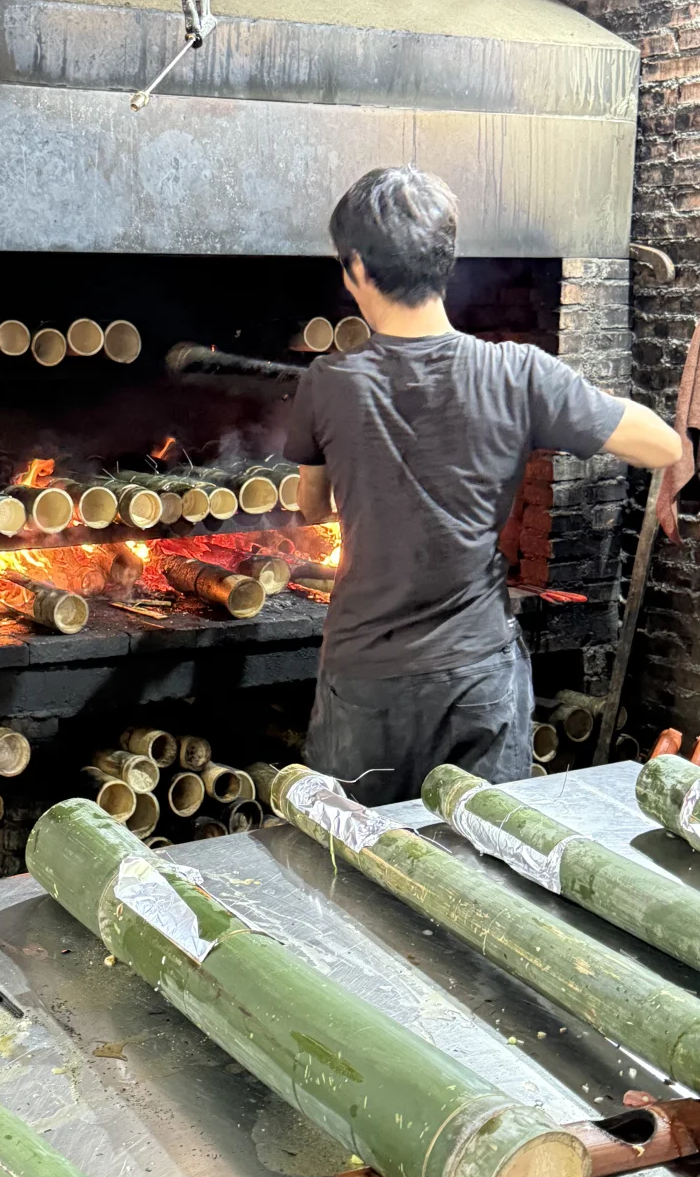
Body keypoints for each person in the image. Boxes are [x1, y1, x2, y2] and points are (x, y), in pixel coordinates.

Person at [285, 165, 681, 806]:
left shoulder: (327, 382)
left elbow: (312, 507)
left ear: (356, 267)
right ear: (445, 262)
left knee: (354, 862)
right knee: (483, 865)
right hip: (477, 676)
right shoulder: (518, 374)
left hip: (365, 680)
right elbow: (662, 444)